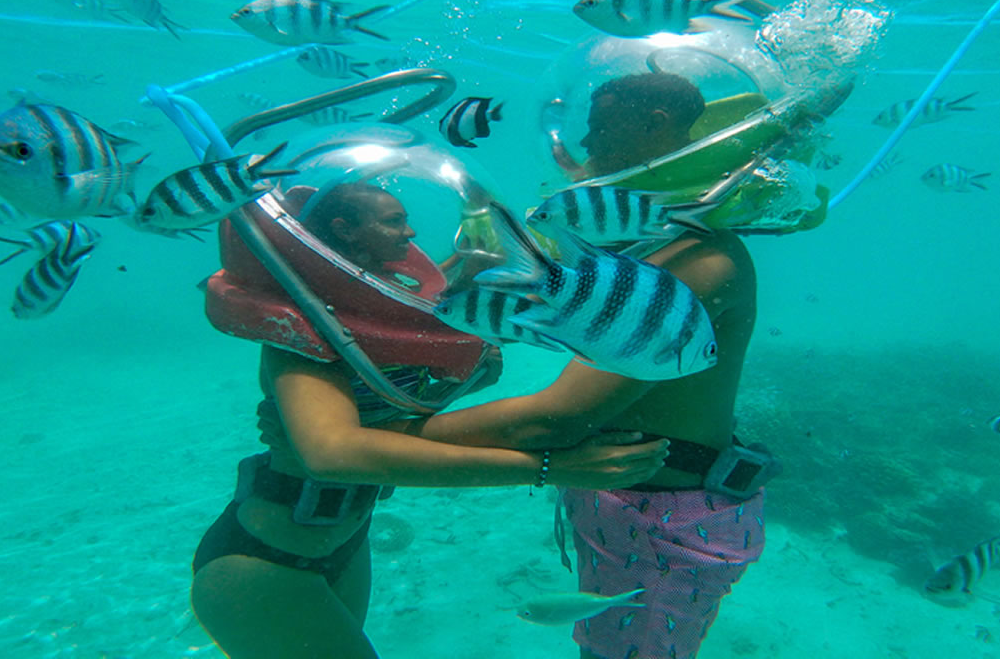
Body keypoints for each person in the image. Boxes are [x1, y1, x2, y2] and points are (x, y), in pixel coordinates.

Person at [190, 181, 670, 659]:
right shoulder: (304, 332)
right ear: (345, 230)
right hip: (261, 562)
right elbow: (332, 453)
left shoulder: (377, 324)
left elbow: (395, 402)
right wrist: (549, 468)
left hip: (344, 542)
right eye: (394, 221)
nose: (411, 232)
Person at [409, 72, 768, 659]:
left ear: (656, 126)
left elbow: (556, 418)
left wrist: (386, 442)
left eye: (599, 125)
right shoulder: (640, 252)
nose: (585, 139)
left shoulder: (700, 259)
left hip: (667, 528)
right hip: (633, 509)